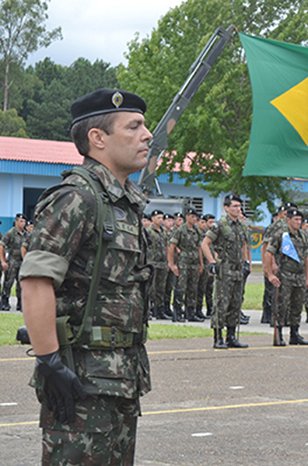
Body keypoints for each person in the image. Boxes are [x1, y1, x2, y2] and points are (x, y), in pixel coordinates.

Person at [19, 89, 153, 464]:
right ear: (98, 138)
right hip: (80, 381)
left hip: (120, 380)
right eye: (135, 126)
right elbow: (35, 280)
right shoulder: (77, 198)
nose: (147, 134)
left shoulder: (122, 203)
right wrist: (49, 362)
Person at [202, 195, 249, 349]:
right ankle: (217, 338)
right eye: (234, 206)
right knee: (221, 304)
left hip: (238, 270)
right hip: (224, 270)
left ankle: (231, 337)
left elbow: (244, 245)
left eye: (239, 206)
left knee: (236, 304)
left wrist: (246, 262)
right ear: (226, 208)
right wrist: (212, 262)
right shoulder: (220, 225)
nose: (238, 209)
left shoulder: (241, 226)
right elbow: (205, 244)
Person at [265, 208, 308, 346]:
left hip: (299, 276)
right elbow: (269, 253)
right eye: (295, 220)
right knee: (282, 306)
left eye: (300, 220)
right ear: (288, 220)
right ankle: (278, 334)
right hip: (284, 276)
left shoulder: (302, 235)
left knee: (297, 306)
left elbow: (306, 256)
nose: (298, 222)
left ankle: (294, 334)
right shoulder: (281, 235)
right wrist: (270, 274)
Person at [168, 208, 204, 323]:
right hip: (183, 263)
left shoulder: (196, 231)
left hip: (194, 263)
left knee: (193, 288)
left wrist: (201, 264)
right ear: (187, 217)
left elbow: (199, 248)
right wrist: (172, 264)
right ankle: (177, 312)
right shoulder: (180, 230)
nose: (194, 219)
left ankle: (191, 313)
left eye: (195, 217)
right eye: (192, 217)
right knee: (180, 288)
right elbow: (172, 246)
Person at [0, 213, 27, 311]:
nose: (23, 223)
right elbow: (2, 246)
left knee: (21, 284)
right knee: (8, 283)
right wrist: (3, 261)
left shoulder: (26, 234)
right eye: (21, 221)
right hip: (12, 261)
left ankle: (20, 303)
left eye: (24, 221)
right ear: (16, 222)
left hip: (21, 262)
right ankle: (4, 302)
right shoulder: (10, 233)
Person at [145, 210, 169, 320]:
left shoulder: (164, 231)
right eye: (158, 218)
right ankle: (148, 311)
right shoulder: (148, 231)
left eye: (162, 218)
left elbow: (167, 247)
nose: (160, 220)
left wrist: (169, 261)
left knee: (161, 288)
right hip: (152, 263)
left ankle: (160, 310)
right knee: (151, 289)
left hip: (162, 263)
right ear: (153, 218)